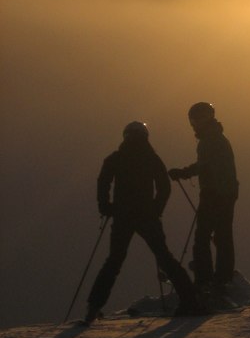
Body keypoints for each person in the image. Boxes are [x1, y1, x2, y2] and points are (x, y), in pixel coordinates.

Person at [85, 121, 206, 323]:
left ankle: (93, 308)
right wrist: (156, 209)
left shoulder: (116, 158)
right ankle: (190, 300)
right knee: (164, 257)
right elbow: (164, 187)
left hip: (123, 216)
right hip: (146, 216)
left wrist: (106, 206)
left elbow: (103, 182)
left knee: (114, 261)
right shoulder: (151, 158)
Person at [168, 102, 239, 298]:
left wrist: (182, 173)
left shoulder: (210, 140)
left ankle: (205, 279)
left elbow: (204, 166)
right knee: (222, 235)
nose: (193, 125)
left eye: (195, 120)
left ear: (204, 119)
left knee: (203, 237)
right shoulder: (216, 138)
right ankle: (221, 278)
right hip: (226, 193)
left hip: (215, 194)